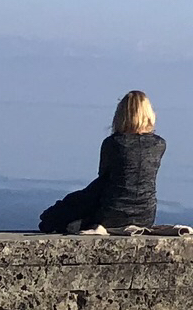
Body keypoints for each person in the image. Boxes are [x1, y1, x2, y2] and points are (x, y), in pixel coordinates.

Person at [37, 91, 164, 233]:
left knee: (68, 207)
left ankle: (61, 220)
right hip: (146, 216)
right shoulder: (159, 145)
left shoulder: (113, 143)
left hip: (112, 214)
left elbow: (104, 179)